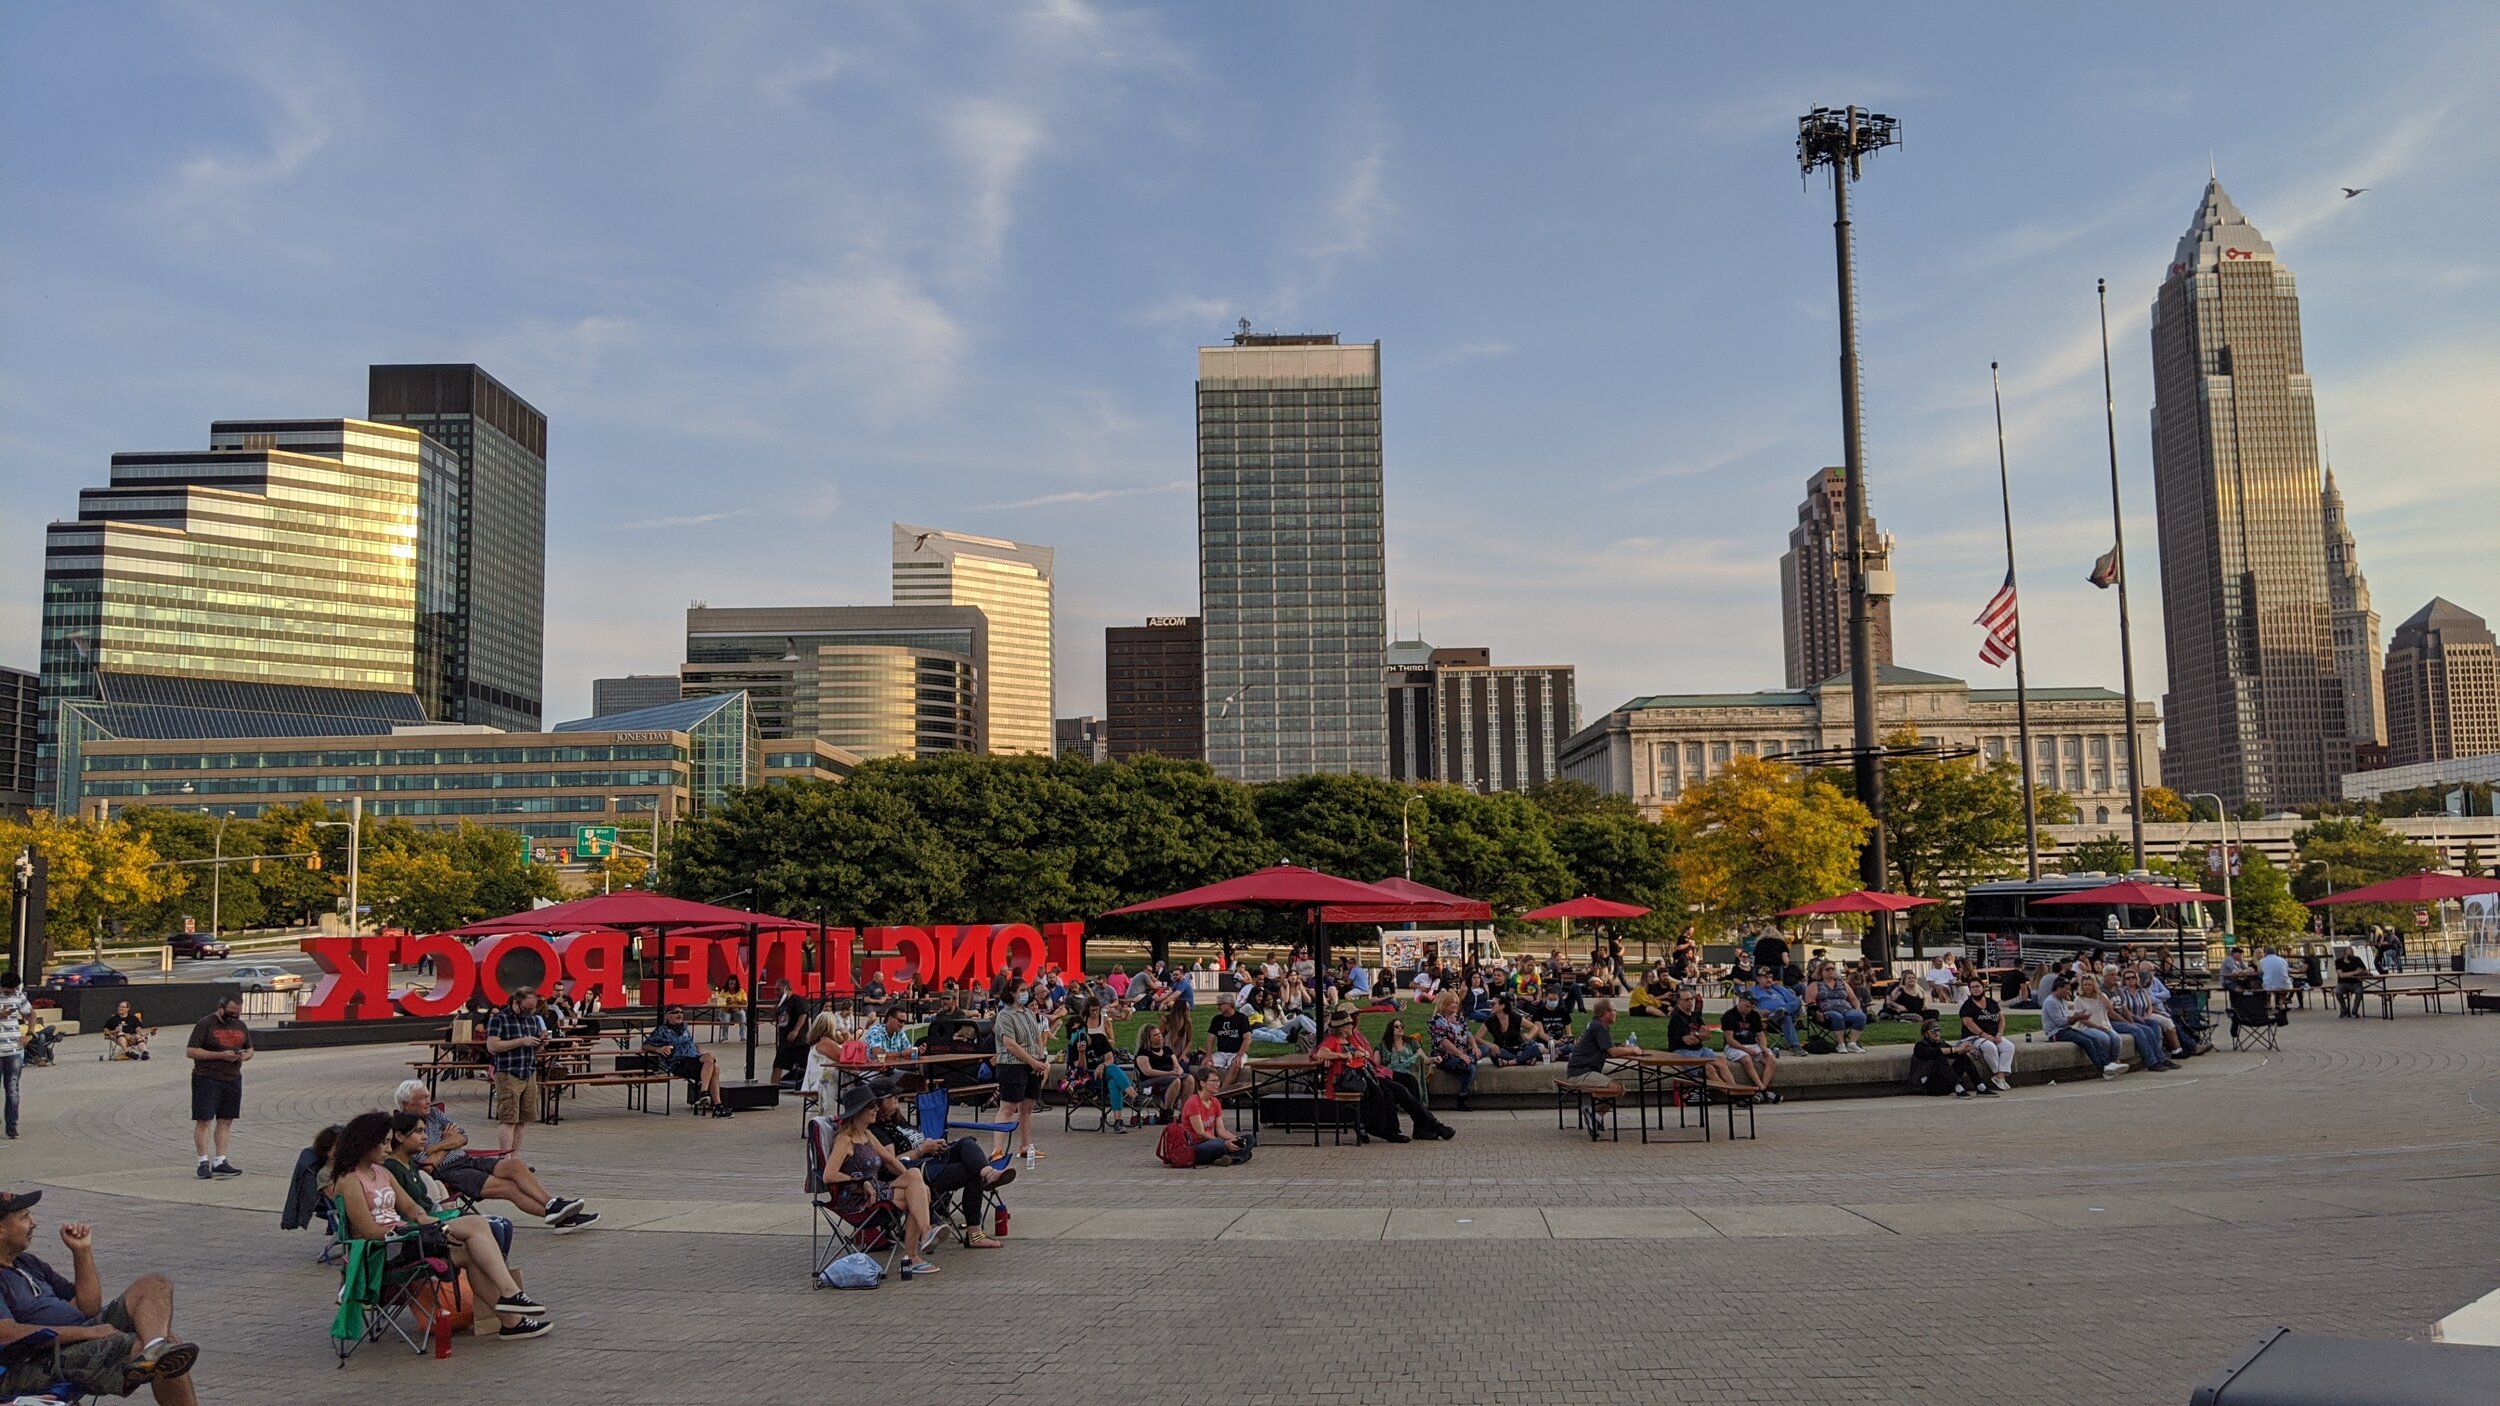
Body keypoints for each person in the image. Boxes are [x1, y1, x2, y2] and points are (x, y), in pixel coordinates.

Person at [328, 1111, 552, 1338]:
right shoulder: (349, 1181)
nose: (389, 1148)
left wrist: (427, 1221)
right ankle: (511, 1295)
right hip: (381, 1251)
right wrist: (418, 1230)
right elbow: (369, 1231)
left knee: (471, 1251)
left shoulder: (381, 1172)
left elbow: (411, 1208)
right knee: (475, 1224)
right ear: (366, 1143)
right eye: (384, 1143)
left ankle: (512, 1322)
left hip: (406, 1240)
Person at [0, 1189, 202, 1403]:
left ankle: (154, 1348)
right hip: (33, 1360)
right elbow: (6, 1334)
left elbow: (88, 1308)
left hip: (75, 1339)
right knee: (144, 1348)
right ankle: (152, 1351)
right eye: (24, 1217)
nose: (33, 1223)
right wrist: (88, 1333)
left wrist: (82, 1252)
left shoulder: (28, 1263)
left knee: (155, 1284)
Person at [391, 1079, 597, 1231]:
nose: (429, 1101)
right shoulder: (403, 1128)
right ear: (407, 1104)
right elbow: (427, 1165)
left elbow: (462, 1138)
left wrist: (439, 1146)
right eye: (423, 1099)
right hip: (448, 1173)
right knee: (509, 1188)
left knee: (514, 1166)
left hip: (465, 1159)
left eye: (428, 1096)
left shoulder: (434, 1114)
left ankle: (553, 1204)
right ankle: (562, 1218)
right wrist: (447, 1143)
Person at [870, 1079, 1011, 1248]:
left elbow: (915, 1142)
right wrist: (923, 1149)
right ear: (878, 1102)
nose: (896, 1098)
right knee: (971, 1172)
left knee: (966, 1143)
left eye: (897, 1095)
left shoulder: (897, 1121)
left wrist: (933, 1145)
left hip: (931, 1159)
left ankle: (989, 1173)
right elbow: (892, 1162)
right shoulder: (878, 1130)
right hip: (916, 1171)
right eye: (892, 1096)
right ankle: (975, 1234)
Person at [822, 1083, 940, 1277]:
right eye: (871, 1106)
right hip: (857, 1199)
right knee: (919, 1193)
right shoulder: (845, 1139)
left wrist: (911, 1179)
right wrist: (860, 1181)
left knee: (917, 1184)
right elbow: (829, 1175)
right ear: (858, 1111)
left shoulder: (867, 1134)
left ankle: (924, 1236)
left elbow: (890, 1160)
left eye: (876, 1105)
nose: (876, 1109)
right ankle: (913, 1256)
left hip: (877, 1190)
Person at [1315, 1011, 1452, 1144]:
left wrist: (1362, 1054)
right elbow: (1320, 1053)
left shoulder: (1349, 1039)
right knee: (1397, 1091)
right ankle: (1428, 1127)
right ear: (1343, 1028)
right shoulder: (1332, 1040)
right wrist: (1342, 1056)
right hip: (1351, 1081)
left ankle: (1430, 1126)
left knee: (1399, 1090)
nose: (1353, 1024)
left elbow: (1363, 1053)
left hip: (1367, 1075)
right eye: (1350, 1023)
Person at [184, 991, 252, 1178]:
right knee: (204, 1120)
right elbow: (191, 1051)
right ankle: (203, 1161)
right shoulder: (205, 1024)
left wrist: (246, 1055)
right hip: (207, 1078)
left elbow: (250, 1047)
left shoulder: (240, 1025)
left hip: (232, 1077)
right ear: (220, 1008)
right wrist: (220, 1055)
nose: (234, 1016)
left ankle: (220, 1160)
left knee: (226, 1120)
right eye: (230, 1012)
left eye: (237, 1013)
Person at [484, 986, 552, 1153]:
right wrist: (521, 1041)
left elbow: (534, 1049)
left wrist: (541, 1044)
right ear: (516, 1002)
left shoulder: (533, 1020)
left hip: (528, 1072)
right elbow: (492, 1046)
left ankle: (514, 1158)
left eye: (532, 1008)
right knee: (508, 1119)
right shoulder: (499, 1019)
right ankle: (504, 1158)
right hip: (508, 1073)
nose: (529, 1012)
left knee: (523, 1119)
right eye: (526, 1008)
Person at [990, 976, 1048, 1163]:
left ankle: (1025, 1146)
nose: (1025, 994)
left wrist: (1039, 1058)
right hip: (1012, 1065)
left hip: (1032, 1064)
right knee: (1008, 1107)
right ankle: (997, 1149)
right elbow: (1010, 1044)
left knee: (1027, 1108)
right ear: (1012, 993)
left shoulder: (1028, 1013)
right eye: (1021, 990)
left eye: (1026, 990)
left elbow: (1038, 1036)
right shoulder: (1005, 1016)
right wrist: (1031, 1061)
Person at [2078, 974, 2174, 1072]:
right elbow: (2111, 1012)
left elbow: (2116, 1007)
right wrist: (2126, 1022)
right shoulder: (2083, 997)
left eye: (2090, 985)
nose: (2115, 977)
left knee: (2149, 1028)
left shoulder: (2109, 993)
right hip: (2110, 1022)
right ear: (2106, 976)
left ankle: (2161, 1058)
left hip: (2108, 1023)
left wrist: (2130, 1021)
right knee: (2137, 1030)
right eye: (2085, 985)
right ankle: (2151, 1062)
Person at [645, 1005, 729, 1115]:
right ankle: (704, 1093)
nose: (679, 1014)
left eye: (681, 1012)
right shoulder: (662, 1030)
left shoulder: (684, 1027)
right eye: (675, 1012)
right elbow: (645, 1046)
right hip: (679, 1062)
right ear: (667, 1016)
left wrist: (697, 1049)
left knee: (715, 1069)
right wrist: (659, 1049)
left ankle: (718, 1106)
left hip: (693, 1059)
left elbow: (690, 1042)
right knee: (709, 1058)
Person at [2040, 974, 2126, 1077]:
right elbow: (2060, 1022)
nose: (2068, 992)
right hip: (2055, 1033)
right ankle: (2103, 1067)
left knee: (2093, 1040)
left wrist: (2077, 1018)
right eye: (2067, 989)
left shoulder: (2061, 1001)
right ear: (2059, 988)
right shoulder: (2051, 1002)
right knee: (2086, 1042)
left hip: (2065, 1029)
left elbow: (2067, 1021)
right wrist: (2078, 1017)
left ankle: (2107, 1064)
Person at [1428, 992, 1498, 1110]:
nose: (1455, 1005)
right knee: (1471, 1068)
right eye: (1452, 1003)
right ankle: (1462, 1098)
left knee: (1485, 1048)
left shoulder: (1458, 1018)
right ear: (1444, 1005)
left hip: (1463, 1053)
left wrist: (1475, 1046)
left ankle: (1466, 1062)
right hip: (1446, 1056)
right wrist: (1460, 1055)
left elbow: (1468, 1034)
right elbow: (1444, 1042)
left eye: (1456, 1002)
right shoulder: (1437, 1020)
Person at [1716, 990, 1783, 1102]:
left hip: (1752, 1044)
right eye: (1746, 1006)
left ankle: (1760, 1092)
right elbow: (1730, 1040)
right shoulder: (1729, 1016)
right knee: (1746, 1059)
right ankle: (1763, 1090)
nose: (1748, 1009)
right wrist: (1746, 1050)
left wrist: (1764, 1048)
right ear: (1740, 1001)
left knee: (1771, 1059)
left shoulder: (1754, 1015)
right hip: (1735, 1046)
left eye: (1751, 1007)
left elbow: (1760, 1034)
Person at [1176, 1074, 1255, 1166]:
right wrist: (1225, 1143)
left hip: (1212, 1142)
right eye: (1213, 1081)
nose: (1217, 1084)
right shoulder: (1193, 1102)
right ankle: (1237, 1156)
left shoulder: (1215, 1101)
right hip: (1196, 1146)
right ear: (1202, 1083)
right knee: (1218, 1145)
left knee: (1250, 1139)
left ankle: (1230, 1159)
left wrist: (1235, 1139)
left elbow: (1221, 1130)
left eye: (1218, 1081)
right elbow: (1200, 1133)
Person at [1908, 1020, 1994, 1097]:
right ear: (1926, 1033)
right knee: (1939, 1058)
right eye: (1934, 1031)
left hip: (1944, 1084)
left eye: (1938, 1030)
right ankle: (1958, 1087)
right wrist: (1958, 1049)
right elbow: (1935, 1052)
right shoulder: (1920, 1046)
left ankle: (1980, 1086)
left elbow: (1954, 1053)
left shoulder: (1940, 1043)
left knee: (1962, 1057)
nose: (1937, 1033)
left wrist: (1966, 1050)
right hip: (1927, 1085)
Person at [1955, 987, 2016, 1092]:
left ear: (1982, 988)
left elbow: (2001, 1019)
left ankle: (2001, 1076)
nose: (1976, 989)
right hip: (1975, 1037)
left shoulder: (1991, 1003)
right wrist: (1984, 1034)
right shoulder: (1967, 1006)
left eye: (1978, 986)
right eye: (1973, 987)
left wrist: (1999, 1034)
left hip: (1993, 1035)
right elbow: (1968, 1024)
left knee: (2009, 1047)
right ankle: (1996, 1073)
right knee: (1989, 1047)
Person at [1807, 963, 1869, 1054]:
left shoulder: (1842, 983)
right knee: (1837, 1016)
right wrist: (1817, 1012)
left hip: (1846, 1010)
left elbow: (1853, 998)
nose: (1831, 971)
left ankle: (1852, 1043)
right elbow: (1810, 1001)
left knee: (1860, 1016)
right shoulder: (1815, 985)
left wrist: (1858, 1007)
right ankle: (1841, 1044)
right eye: (1827, 969)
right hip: (1826, 1012)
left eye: (1832, 969)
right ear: (1821, 972)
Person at [1130, 1025, 1186, 1125]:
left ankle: (1185, 1113)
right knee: (1175, 1080)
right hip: (1150, 1080)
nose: (1160, 1036)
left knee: (1189, 1079)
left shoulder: (1167, 1050)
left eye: (1160, 1034)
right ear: (1148, 1038)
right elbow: (1148, 1071)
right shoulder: (1143, 1052)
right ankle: (1166, 1111)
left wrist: (1179, 1071)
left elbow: (1177, 1066)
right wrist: (1169, 1073)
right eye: (1155, 1035)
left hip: (1170, 1076)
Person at [1203, 991, 1253, 1092]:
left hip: (1237, 1052)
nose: (1218, 1007)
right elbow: (1210, 1038)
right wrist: (1208, 1056)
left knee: (1235, 1065)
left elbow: (1248, 1039)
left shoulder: (1241, 1018)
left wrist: (1239, 1055)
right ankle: (1207, 1092)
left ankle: (1222, 1093)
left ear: (1229, 1004)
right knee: (1205, 1066)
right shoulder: (1217, 1019)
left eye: (1220, 1004)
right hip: (1221, 1053)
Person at [1481, 994, 1550, 1066]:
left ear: (1502, 1006)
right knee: (1493, 1052)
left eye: (1493, 1004)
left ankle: (1511, 1062)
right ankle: (1524, 1060)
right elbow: (1477, 1038)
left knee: (1536, 1047)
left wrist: (1529, 1035)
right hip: (1503, 1050)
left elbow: (1534, 1027)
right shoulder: (1490, 1021)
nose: (1490, 1006)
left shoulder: (1514, 1017)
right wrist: (1490, 1045)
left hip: (1518, 1049)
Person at [0, 972, 28, 1140]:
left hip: (13, 1051)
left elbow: (31, 1014)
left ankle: (12, 1126)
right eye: (8, 991)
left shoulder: (18, 995)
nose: (12, 993)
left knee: (12, 1090)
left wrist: (29, 1033)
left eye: (14, 990)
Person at [1749, 968, 1805, 1053]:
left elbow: (1794, 1001)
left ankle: (1781, 1011)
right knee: (1785, 1017)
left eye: (1770, 977)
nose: (1769, 980)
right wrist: (1759, 1011)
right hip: (1768, 1020)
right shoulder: (1753, 991)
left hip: (1784, 1015)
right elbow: (1747, 1006)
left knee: (1796, 1002)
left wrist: (1784, 1009)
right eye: (1766, 977)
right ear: (1758, 979)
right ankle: (1795, 1046)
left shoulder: (1778, 989)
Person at [770, 981, 810, 1087]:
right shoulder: (782, 1002)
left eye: (778, 989)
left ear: (786, 988)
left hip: (798, 1042)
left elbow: (803, 1015)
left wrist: (796, 1030)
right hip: (784, 1041)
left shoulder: (797, 1000)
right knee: (777, 1065)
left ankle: (807, 1086)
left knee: (805, 1065)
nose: (776, 992)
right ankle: (772, 1088)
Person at [2333, 944, 2369, 1018]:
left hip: (2355, 982)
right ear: (2344, 954)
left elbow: (2364, 970)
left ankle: (2354, 1010)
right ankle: (2344, 1009)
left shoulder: (2357, 959)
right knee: (2337, 992)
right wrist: (2355, 972)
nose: (2350, 954)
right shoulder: (2338, 961)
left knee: (2360, 991)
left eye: (2351, 952)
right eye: (2348, 953)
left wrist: (2349, 974)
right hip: (2343, 983)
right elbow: (2341, 975)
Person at [2256, 946, 2293, 1013]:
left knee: (2266, 983)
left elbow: (2260, 972)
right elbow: (2287, 971)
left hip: (2269, 985)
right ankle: (2280, 1001)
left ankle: (2268, 1003)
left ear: (2265, 953)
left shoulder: (2262, 961)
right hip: (2284, 984)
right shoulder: (2282, 960)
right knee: (2286, 984)